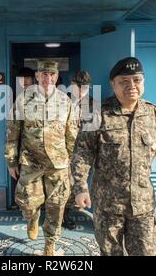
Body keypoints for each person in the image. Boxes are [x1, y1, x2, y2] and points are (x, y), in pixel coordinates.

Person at [71, 57, 156, 256]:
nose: (131, 86)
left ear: (143, 82)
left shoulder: (152, 113)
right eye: (124, 81)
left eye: (136, 80)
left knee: (146, 252)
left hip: (142, 204)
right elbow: (83, 152)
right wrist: (80, 188)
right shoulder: (96, 113)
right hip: (108, 205)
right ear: (112, 84)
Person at [4, 59, 77, 256]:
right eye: (43, 73)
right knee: (26, 201)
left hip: (58, 163)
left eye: (51, 74)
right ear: (37, 76)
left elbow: (71, 134)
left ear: (56, 76)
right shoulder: (22, 100)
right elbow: (12, 133)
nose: (48, 77)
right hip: (31, 161)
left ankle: (49, 246)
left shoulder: (65, 101)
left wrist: (69, 161)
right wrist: (11, 160)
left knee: (57, 206)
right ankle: (32, 219)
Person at [62, 71, 94, 230]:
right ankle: (63, 215)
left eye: (85, 87)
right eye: (78, 86)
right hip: (64, 152)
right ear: (72, 84)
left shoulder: (94, 105)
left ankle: (75, 210)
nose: (81, 90)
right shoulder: (62, 101)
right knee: (64, 186)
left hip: (84, 154)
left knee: (80, 184)